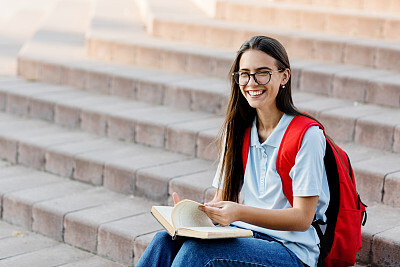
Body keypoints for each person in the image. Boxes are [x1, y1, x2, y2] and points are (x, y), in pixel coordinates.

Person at [136, 35, 329, 267]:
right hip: (244, 234)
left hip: (290, 250)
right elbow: (222, 199)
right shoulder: (237, 130)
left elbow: (302, 218)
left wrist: (239, 213)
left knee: (197, 253)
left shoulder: (306, 135)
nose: (252, 82)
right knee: (164, 241)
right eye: (244, 74)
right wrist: (192, 214)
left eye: (263, 72)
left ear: (284, 76)